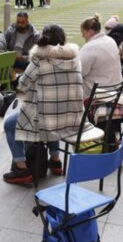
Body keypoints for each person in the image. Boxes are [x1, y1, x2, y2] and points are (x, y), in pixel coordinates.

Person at [3, 24, 84, 184]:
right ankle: (55, 159)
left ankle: (21, 168)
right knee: (53, 111)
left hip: (47, 120)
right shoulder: (75, 59)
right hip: (71, 118)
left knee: (9, 124)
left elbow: (22, 86)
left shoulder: (39, 61)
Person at [79, 15, 123, 98]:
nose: (82, 36)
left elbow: (80, 71)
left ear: (90, 31)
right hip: (115, 88)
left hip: (98, 91)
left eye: (83, 33)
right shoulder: (110, 40)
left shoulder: (89, 47)